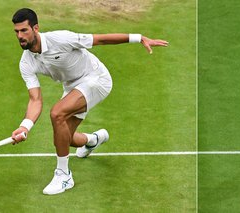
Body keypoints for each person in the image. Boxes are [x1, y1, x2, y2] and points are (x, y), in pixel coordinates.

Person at [9, 8, 169, 195]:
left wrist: (139, 37)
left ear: (36, 28)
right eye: (17, 32)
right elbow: (35, 99)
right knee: (64, 138)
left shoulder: (61, 38)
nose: (20, 36)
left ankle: (63, 175)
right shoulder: (26, 62)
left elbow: (100, 39)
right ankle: (93, 140)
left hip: (96, 79)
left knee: (57, 113)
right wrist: (24, 127)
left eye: (24, 31)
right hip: (72, 87)